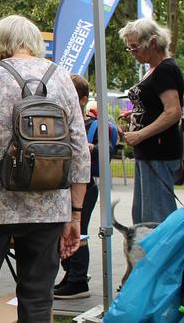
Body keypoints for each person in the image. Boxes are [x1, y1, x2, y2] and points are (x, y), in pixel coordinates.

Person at [0, 16, 89, 321]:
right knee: (38, 301)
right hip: (48, 206)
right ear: (34, 42)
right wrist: (75, 214)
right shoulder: (62, 78)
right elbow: (79, 152)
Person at [54, 75, 119, 300]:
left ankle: (78, 280)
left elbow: (107, 152)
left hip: (85, 186)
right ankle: (71, 273)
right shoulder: (59, 122)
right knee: (63, 231)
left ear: (82, 100)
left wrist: (92, 148)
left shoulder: (94, 126)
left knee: (78, 230)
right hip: (61, 185)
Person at [119, 17, 184, 225]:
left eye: (135, 48)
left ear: (153, 43)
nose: (133, 53)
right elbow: (157, 105)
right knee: (143, 216)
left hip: (158, 153)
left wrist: (140, 134)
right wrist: (137, 114)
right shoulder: (153, 69)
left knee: (155, 217)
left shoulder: (165, 70)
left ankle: (161, 257)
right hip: (148, 153)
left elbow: (173, 111)